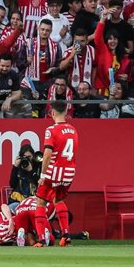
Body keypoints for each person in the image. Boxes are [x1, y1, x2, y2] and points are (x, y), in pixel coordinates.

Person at [34, 100, 78, 247]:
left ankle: (40, 239)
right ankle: (66, 234)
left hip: (55, 171)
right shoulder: (73, 130)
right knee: (58, 200)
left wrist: (42, 176)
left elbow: (47, 154)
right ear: (66, 112)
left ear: (52, 112)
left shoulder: (51, 130)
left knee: (40, 201)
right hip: (69, 171)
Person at [9, 144, 41, 209]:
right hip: (18, 202)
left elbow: (40, 184)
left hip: (34, 202)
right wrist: (15, 167)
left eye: (29, 157)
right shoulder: (19, 167)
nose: (27, 159)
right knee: (10, 208)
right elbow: (12, 185)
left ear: (33, 156)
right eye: (25, 157)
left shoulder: (38, 167)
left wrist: (31, 171)